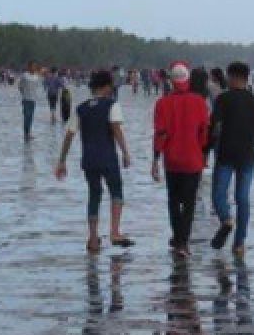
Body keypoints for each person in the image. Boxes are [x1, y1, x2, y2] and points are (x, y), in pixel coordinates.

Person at [55, 70, 134, 252]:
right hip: (107, 157)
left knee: (94, 195)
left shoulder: (81, 108)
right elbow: (115, 128)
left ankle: (92, 238)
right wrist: (125, 152)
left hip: (88, 159)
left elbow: (69, 135)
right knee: (116, 191)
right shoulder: (111, 105)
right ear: (106, 86)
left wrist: (62, 161)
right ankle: (114, 232)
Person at [209, 62, 254, 257]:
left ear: (231, 76)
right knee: (242, 199)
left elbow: (215, 127)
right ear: (247, 77)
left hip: (225, 154)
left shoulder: (222, 100)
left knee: (218, 195)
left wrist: (209, 147)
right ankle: (239, 242)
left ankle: (226, 220)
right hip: (247, 156)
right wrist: (252, 143)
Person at [152, 61, 210, 258]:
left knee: (173, 201)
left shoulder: (162, 103)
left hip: (172, 160)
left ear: (171, 80)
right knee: (190, 202)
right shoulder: (200, 102)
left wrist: (155, 159)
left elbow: (160, 133)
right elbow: (204, 132)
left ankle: (178, 239)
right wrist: (202, 152)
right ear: (188, 79)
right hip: (193, 159)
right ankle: (183, 242)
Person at [18, 61, 42, 141]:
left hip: (33, 100)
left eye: (34, 66)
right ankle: (26, 133)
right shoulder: (24, 76)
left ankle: (29, 133)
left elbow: (38, 87)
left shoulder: (37, 77)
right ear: (28, 67)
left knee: (31, 117)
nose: (33, 68)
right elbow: (20, 86)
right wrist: (24, 94)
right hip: (26, 99)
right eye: (32, 66)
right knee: (26, 116)